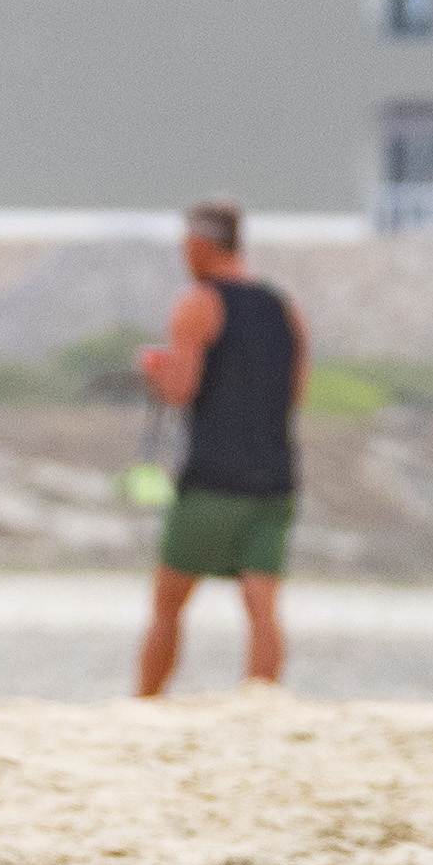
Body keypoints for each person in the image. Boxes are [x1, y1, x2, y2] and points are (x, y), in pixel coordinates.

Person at [135, 199, 302, 694]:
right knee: (262, 604)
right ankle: (261, 700)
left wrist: (156, 371)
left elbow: (181, 390)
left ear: (201, 244)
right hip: (275, 475)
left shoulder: (198, 303)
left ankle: (147, 701)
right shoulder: (284, 306)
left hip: (214, 475)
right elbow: (295, 389)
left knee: (168, 600)